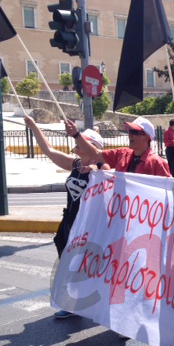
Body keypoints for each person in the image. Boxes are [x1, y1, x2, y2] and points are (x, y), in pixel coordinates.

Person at [24, 115, 110, 318]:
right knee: (68, 263)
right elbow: (49, 150)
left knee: (87, 265)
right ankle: (73, 303)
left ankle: (96, 301)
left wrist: (98, 171)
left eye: (82, 143)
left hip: (89, 226)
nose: (76, 145)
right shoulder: (75, 165)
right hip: (70, 222)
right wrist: (34, 126)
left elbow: (116, 177)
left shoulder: (103, 169)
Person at [69, 116, 170, 177]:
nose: (130, 135)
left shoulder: (157, 163)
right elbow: (95, 153)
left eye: (134, 132)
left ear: (147, 137)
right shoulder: (122, 154)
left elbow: (168, 192)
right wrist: (76, 135)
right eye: (129, 131)